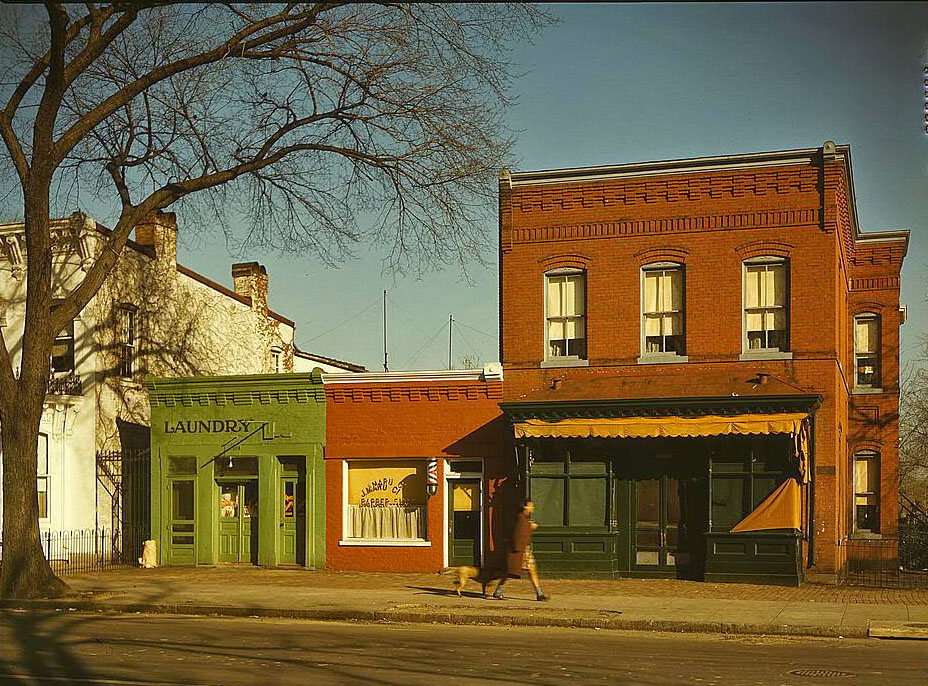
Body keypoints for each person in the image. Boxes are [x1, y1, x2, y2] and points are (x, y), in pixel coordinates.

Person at [492, 499, 549, 601]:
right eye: (531, 506)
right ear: (525, 507)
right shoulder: (521, 518)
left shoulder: (523, 518)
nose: (533, 508)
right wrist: (530, 527)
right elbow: (518, 534)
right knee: (511, 572)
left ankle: (539, 593)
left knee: (531, 570)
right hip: (520, 550)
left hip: (524, 549)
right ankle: (498, 590)